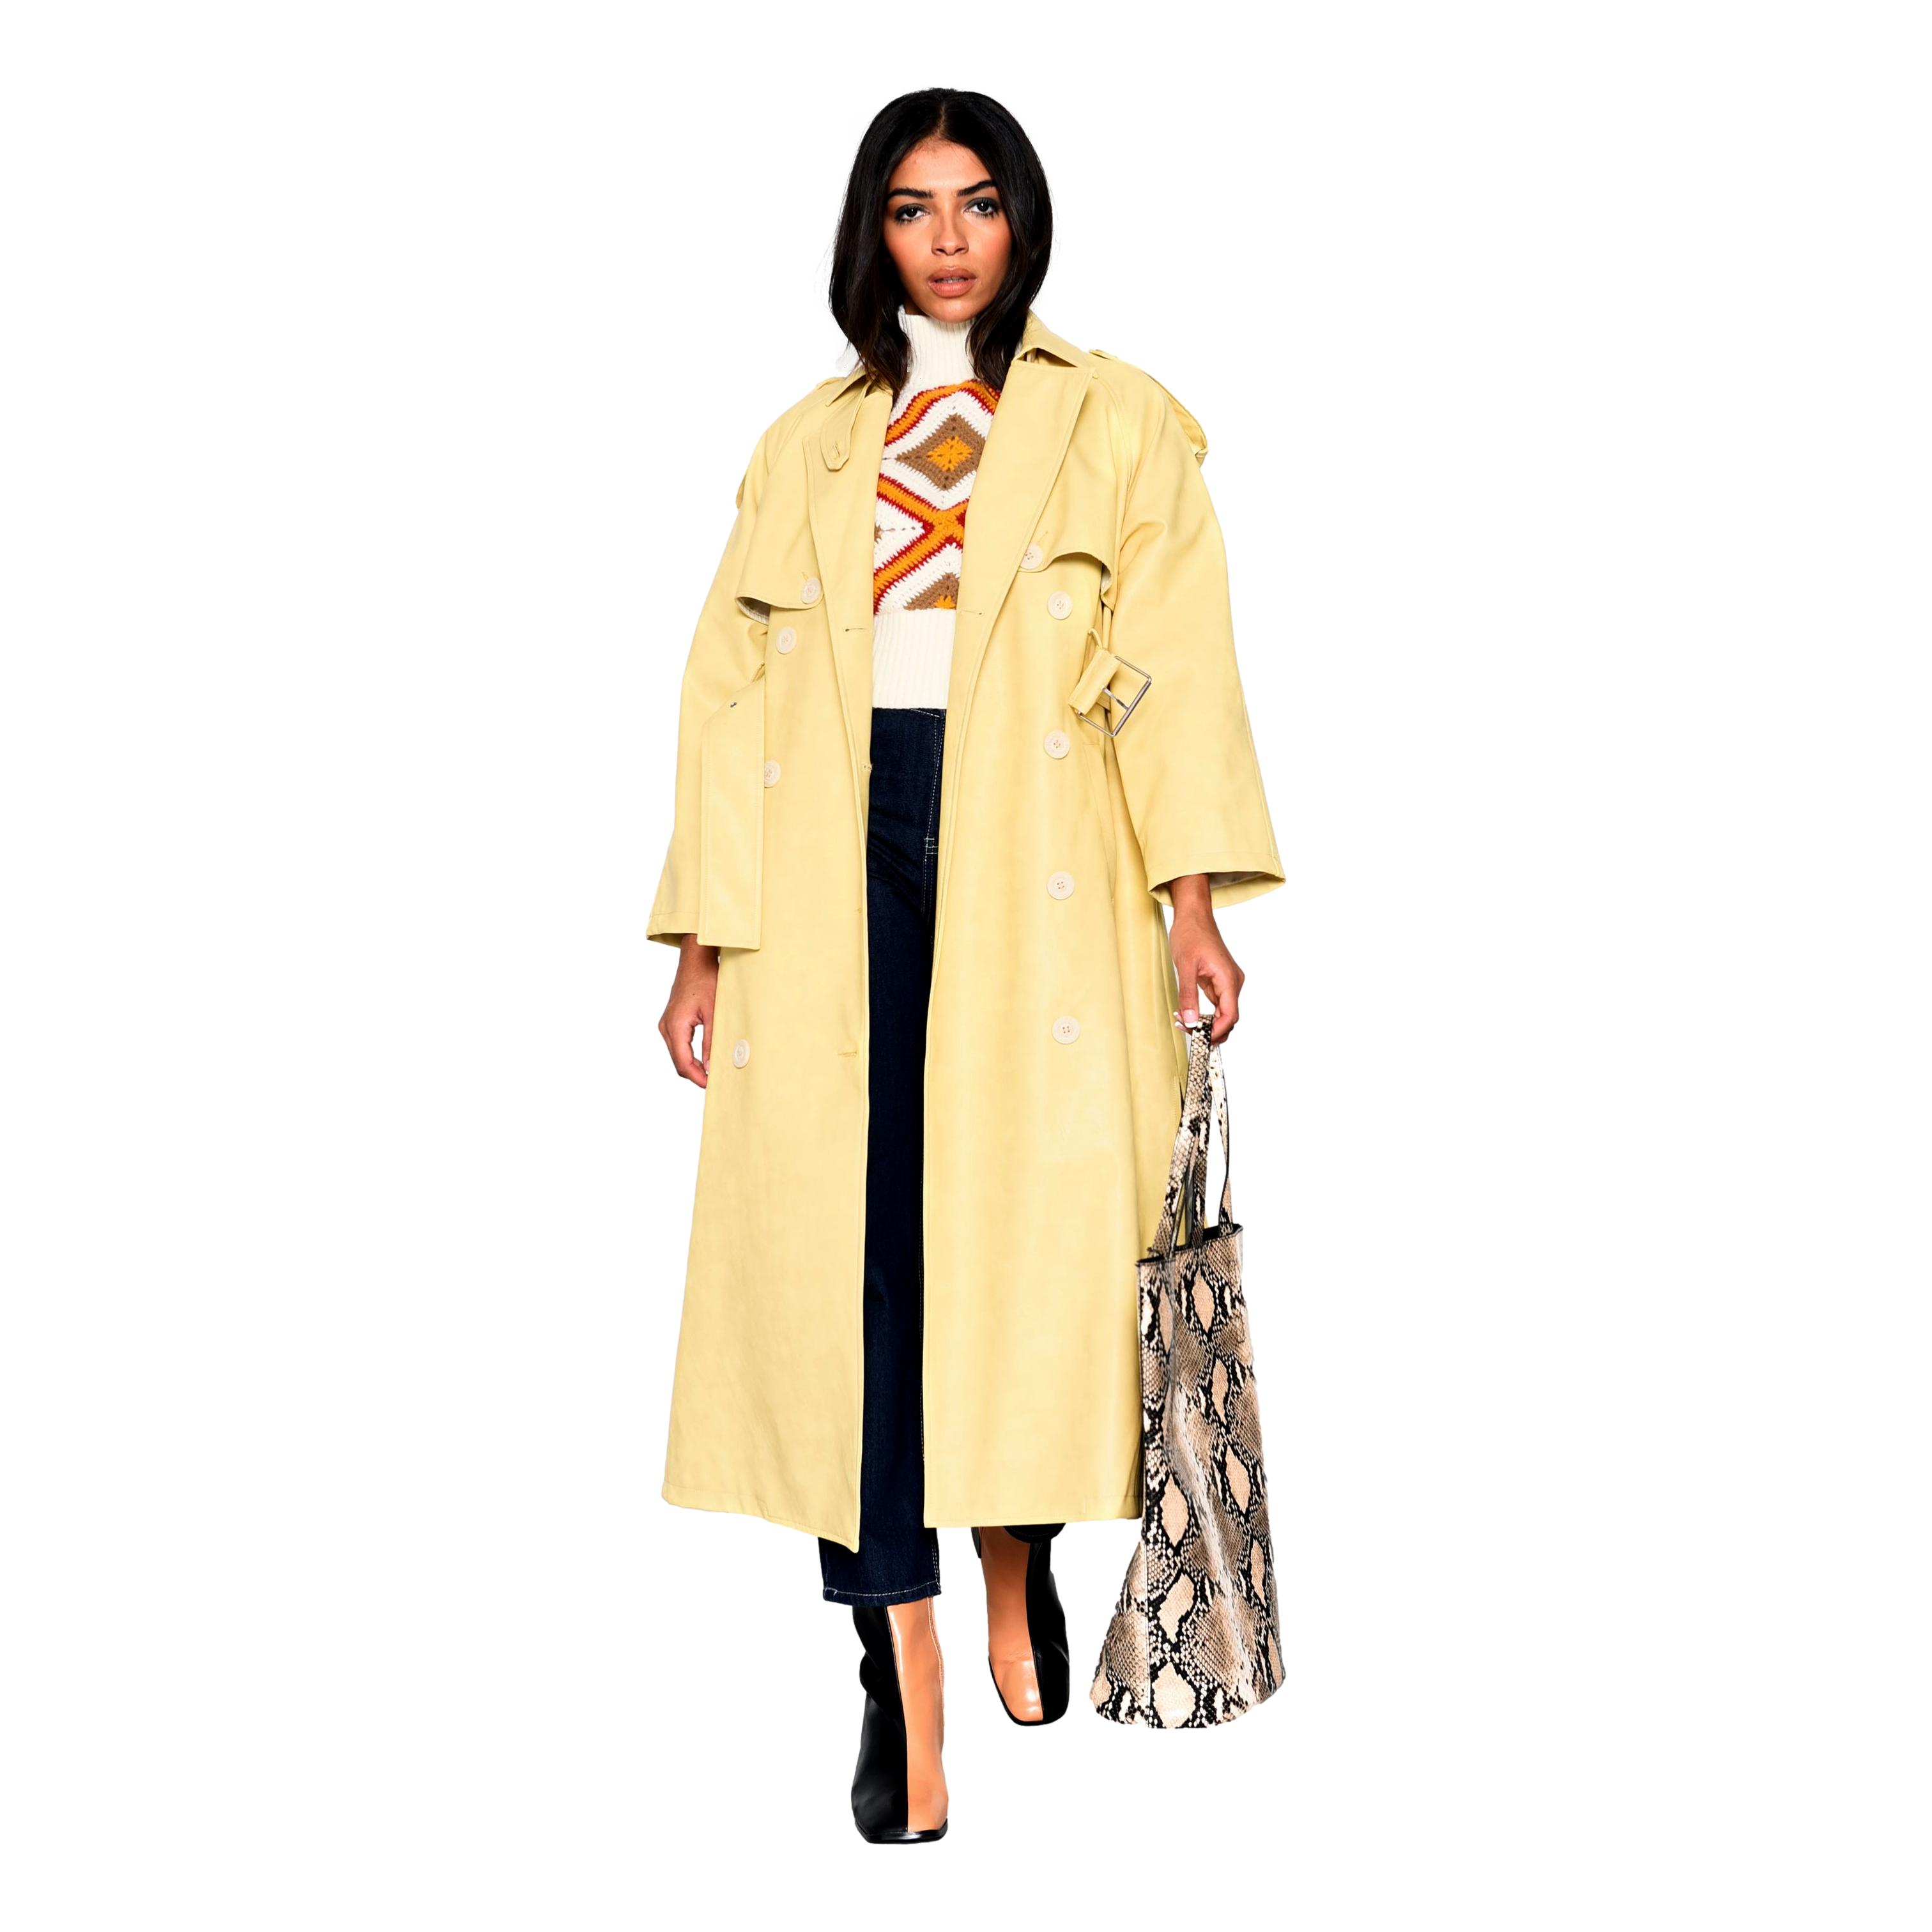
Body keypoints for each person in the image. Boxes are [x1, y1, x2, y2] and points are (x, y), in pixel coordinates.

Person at [650, 88, 1282, 1842]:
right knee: (854, 1268)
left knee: (1018, 1240)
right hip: (824, 864)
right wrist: (701, 938)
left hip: (1042, 865)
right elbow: (725, 697)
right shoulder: (804, 445)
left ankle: (1016, 1552)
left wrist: (1193, 900)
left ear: (1023, 223)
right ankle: (899, 1661)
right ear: (874, 230)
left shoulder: (1119, 421)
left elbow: (1176, 667)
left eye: (979, 203)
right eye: (914, 206)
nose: (947, 238)